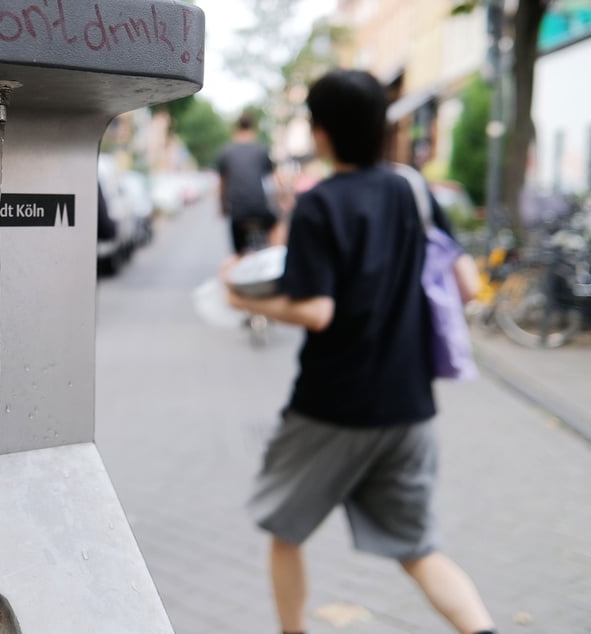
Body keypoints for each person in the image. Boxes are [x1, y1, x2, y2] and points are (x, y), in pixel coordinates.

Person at [225, 69, 495, 634]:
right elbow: (467, 285)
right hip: (409, 406)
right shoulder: (412, 188)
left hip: (332, 406)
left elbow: (316, 311)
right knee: (419, 549)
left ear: (320, 133)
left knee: (284, 529)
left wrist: (242, 298)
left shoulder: (320, 205)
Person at [216, 112, 284, 253]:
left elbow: (222, 184)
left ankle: (239, 260)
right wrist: (282, 200)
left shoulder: (226, 152)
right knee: (277, 226)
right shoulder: (261, 149)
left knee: (238, 252)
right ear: (253, 128)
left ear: (236, 128)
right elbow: (274, 179)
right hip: (259, 208)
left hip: (237, 211)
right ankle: (274, 255)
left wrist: (223, 206)